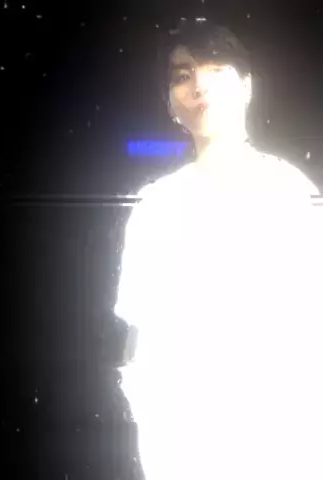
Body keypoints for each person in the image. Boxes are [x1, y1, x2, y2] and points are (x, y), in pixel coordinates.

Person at [115, 18, 323, 480]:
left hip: (279, 436)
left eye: (216, 68)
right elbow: (139, 336)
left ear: (246, 86)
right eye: (183, 74)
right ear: (170, 102)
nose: (199, 85)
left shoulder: (290, 191)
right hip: (182, 440)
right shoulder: (154, 206)